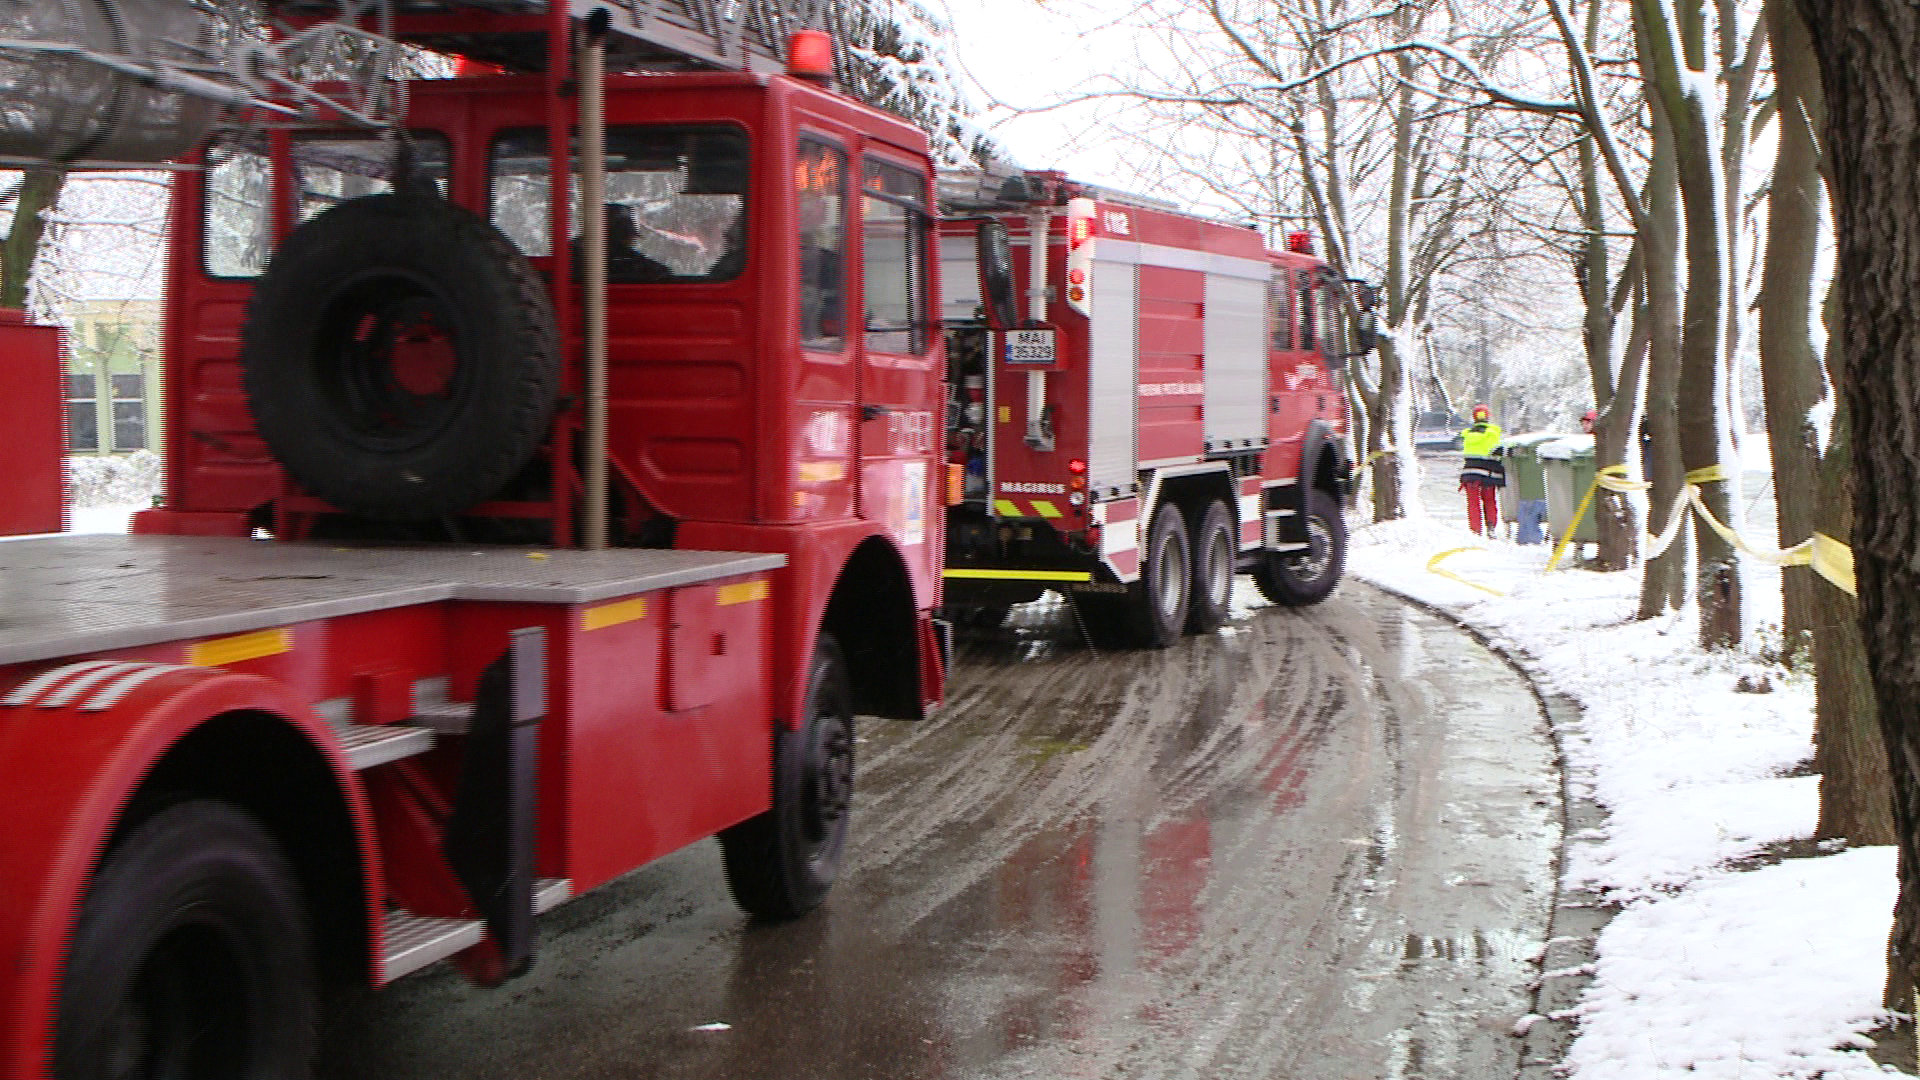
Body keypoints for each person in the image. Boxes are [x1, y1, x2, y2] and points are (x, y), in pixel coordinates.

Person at [1458, 405, 1505, 538]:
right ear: (1488, 416)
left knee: (1473, 502)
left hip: (1469, 473)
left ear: (1474, 417)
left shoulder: (1467, 434)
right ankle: (1491, 528)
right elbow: (1498, 451)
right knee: (1489, 500)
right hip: (1488, 473)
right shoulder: (1493, 432)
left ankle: (1475, 531)